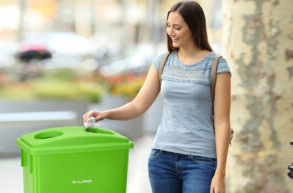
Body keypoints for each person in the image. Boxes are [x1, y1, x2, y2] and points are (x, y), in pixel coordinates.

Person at [83, 1, 231, 193]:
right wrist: (106, 113)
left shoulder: (217, 66)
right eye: (168, 26)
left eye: (177, 27)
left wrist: (220, 173)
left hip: (201, 162)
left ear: (194, 28)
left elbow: (222, 122)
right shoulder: (163, 62)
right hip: (162, 159)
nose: (171, 32)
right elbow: (138, 106)